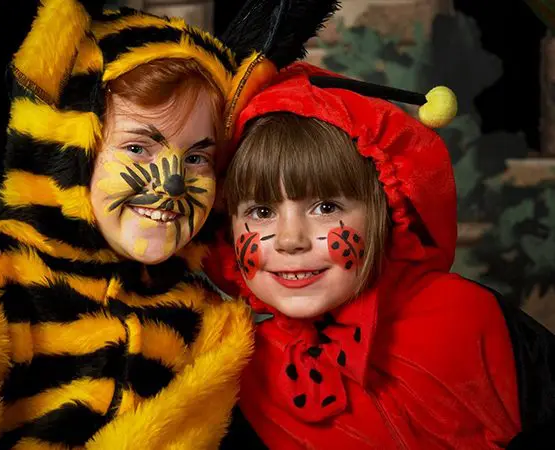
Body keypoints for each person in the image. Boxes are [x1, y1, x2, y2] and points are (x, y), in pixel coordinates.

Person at [0, 1, 342, 448]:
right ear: (67, 149)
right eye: (138, 147)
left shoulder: (207, 324)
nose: (173, 184)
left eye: (197, 157)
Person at [206, 61, 555, 449]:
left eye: (326, 207)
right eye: (261, 212)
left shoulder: (469, 316)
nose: (290, 240)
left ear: (385, 211)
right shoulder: (232, 374)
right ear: (227, 228)